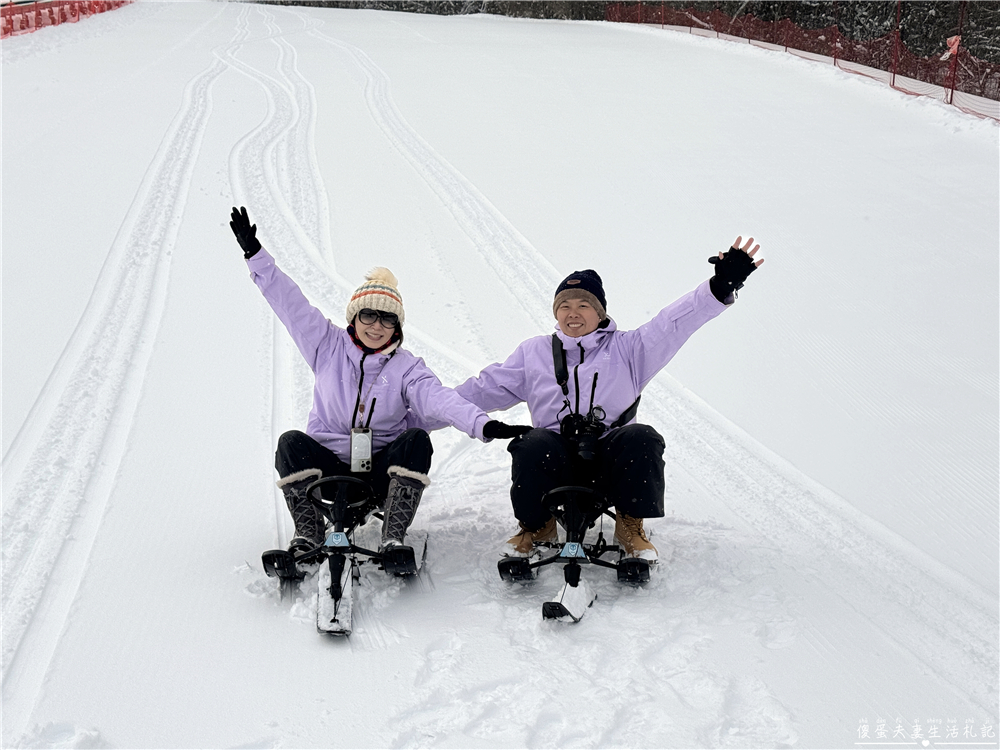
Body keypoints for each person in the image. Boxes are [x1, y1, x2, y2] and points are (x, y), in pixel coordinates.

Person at [229, 206, 523, 560]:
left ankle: (393, 538)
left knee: (416, 440)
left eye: (387, 319)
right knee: (290, 443)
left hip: (381, 472)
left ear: (396, 327)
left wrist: (482, 423)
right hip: (329, 467)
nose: (376, 325)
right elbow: (290, 304)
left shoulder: (407, 367)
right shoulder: (326, 344)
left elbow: (438, 399)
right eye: (369, 314)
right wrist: (255, 256)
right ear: (355, 317)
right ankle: (308, 533)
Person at [454, 237, 764, 562]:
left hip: (608, 462)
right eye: (564, 306)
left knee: (641, 437)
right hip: (555, 459)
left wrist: (719, 286)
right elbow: (481, 389)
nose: (573, 314)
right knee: (530, 442)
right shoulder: (534, 353)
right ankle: (536, 526)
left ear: (600, 313)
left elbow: (673, 324)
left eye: (583, 305)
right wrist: (421, 405)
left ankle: (630, 527)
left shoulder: (629, 349)